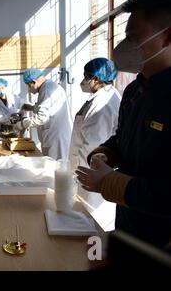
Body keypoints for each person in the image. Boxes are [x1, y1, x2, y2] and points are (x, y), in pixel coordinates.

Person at [76, 0, 171, 249]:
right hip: (128, 226)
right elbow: (124, 137)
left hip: (161, 243)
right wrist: (106, 152)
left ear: (167, 37)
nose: (123, 47)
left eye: (133, 37)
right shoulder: (134, 89)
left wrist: (112, 183)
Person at [69, 58, 121, 229]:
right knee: (87, 217)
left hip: (90, 172)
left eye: (86, 77)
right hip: (86, 168)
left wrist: (76, 172)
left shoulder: (102, 104)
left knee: (93, 218)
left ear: (96, 79)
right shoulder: (100, 97)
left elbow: (93, 146)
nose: (83, 82)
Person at [19, 68, 72, 160]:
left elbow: (41, 118)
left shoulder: (47, 90)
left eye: (28, 85)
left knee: (55, 168)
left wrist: (23, 123)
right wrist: (31, 108)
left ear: (34, 82)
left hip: (55, 139)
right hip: (56, 136)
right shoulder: (49, 87)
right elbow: (49, 108)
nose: (29, 88)